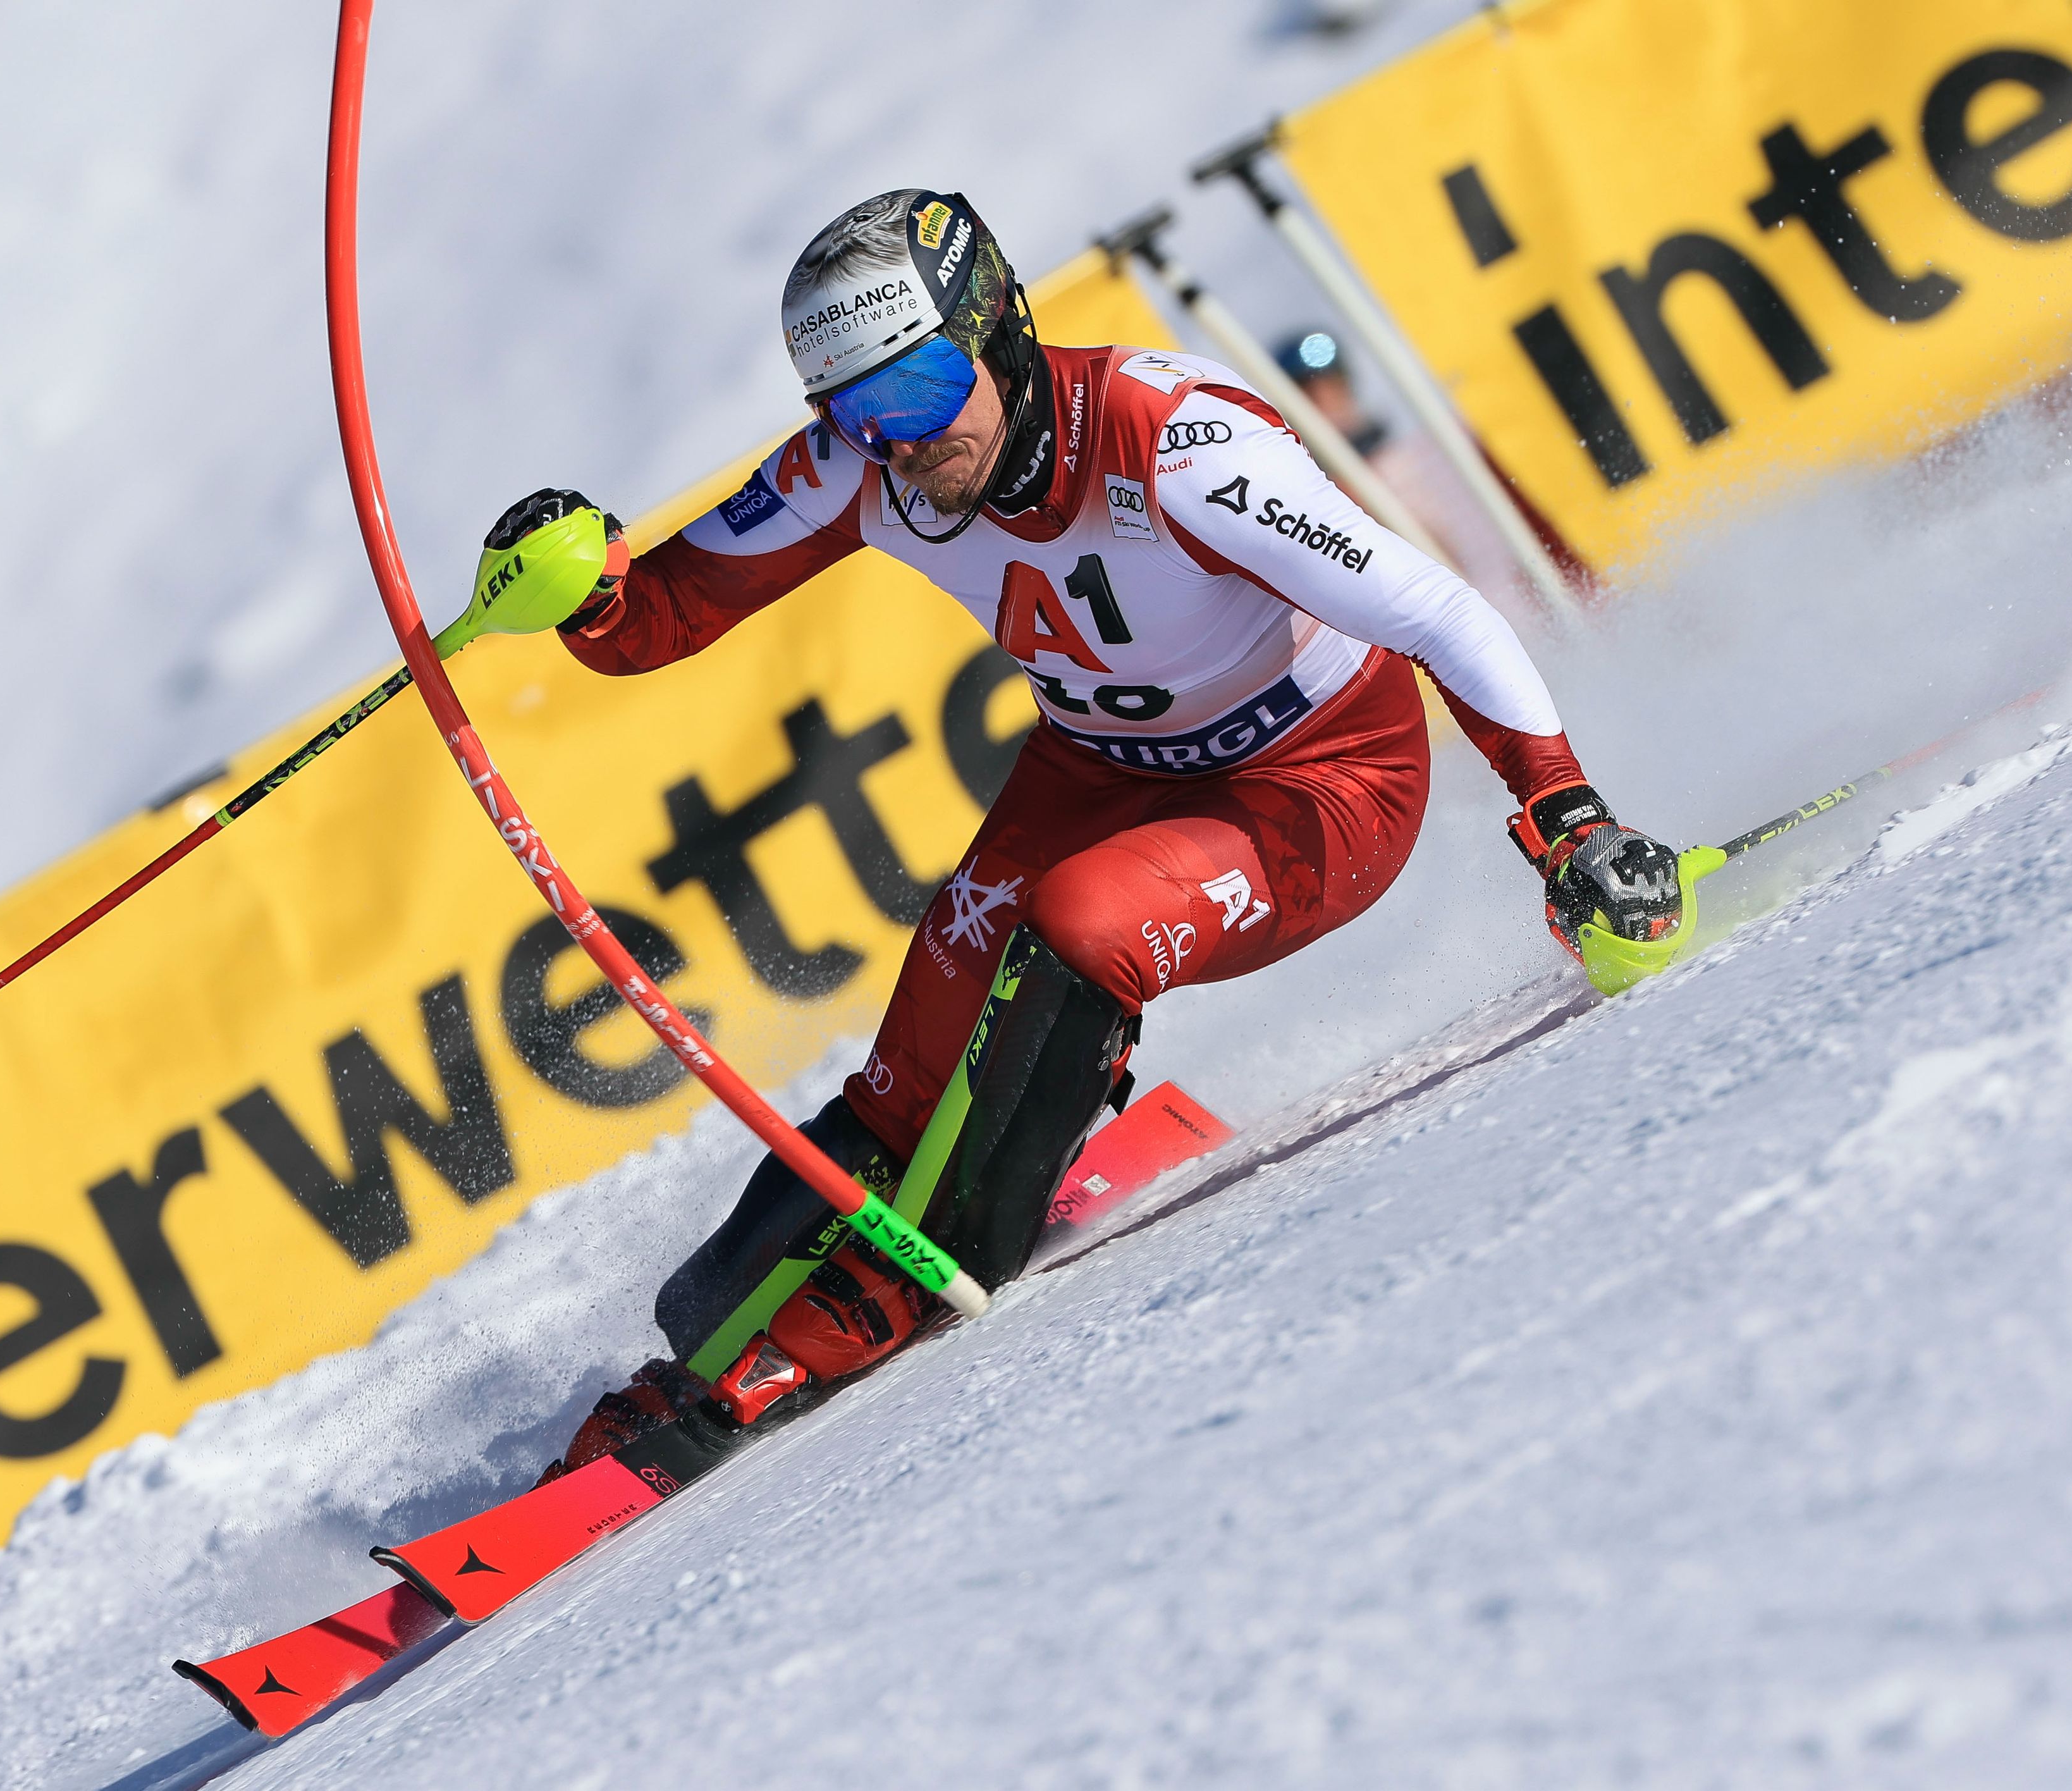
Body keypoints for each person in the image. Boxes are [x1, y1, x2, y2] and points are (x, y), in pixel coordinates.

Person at [493, 191, 1680, 1476]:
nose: (904, 443)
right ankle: (713, 1343)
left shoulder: (1173, 442)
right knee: (913, 1063)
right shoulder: (861, 465)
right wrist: (579, 585)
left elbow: (1435, 611)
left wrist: (1564, 818)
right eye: (858, 413)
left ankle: (887, 1295)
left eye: (925, 388)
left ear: (997, 334)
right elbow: (654, 621)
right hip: (1100, 767)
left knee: (1074, 932)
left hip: (1317, 779)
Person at [1273, 325, 1531, 624]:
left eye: (1333, 387)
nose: (1327, 401)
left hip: (1522, 607)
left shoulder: (1435, 449)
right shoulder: (1323, 503)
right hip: (1454, 626)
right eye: (1311, 395)